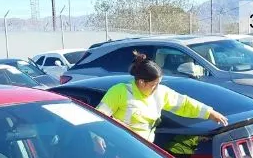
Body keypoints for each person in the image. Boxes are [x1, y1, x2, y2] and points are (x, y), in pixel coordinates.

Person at [96, 51, 228, 143]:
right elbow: (98, 117)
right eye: (153, 84)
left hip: (146, 148)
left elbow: (183, 104)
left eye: (159, 84)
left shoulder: (160, 93)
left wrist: (209, 113)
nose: (157, 88)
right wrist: (98, 138)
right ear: (141, 82)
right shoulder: (119, 91)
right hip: (121, 148)